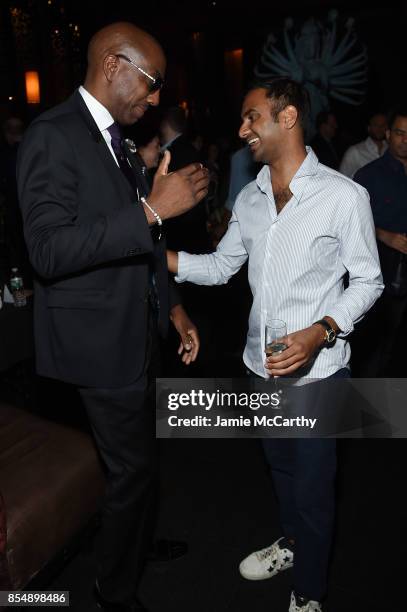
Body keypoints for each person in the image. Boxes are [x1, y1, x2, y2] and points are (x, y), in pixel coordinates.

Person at [167, 78, 383, 612]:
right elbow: (220, 269)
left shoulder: (343, 196)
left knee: (314, 490)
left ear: (288, 118)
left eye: (251, 117)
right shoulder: (251, 197)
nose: (242, 131)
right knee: (282, 471)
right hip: (260, 368)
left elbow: (370, 281)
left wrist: (322, 330)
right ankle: (293, 546)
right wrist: (156, 257)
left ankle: (309, 592)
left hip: (319, 375)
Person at [17, 22, 209, 612]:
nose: (154, 100)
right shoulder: (53, 134)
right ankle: (114, 590)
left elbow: (139, 245)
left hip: (136, 329)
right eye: (151, 85)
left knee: (136, 463)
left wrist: (173, 308)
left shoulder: (115, 139)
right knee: (133, 470)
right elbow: (47, 251)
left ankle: (131, 543)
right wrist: (153, 207)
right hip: (97, 341)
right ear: (112, 65)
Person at [353, 107, 407, 376]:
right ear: (388, 134)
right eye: (400, 133)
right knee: (377, 351)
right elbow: (348, 226)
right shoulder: (368, 175)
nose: (405, 139)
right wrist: (385, 235)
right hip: (382, 274)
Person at [339, 112, 388, 178]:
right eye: (376, 124)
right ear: (369, 128)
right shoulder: (355, 151)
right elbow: (342, 178)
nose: (380, 128)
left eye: (383, 125)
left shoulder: (391, 149)